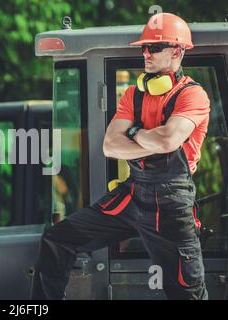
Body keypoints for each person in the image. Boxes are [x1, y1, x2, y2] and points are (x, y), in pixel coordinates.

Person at [31, 12, 210, 300]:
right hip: (133, 193)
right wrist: (148, 137)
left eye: (153, 47)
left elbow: (168, 139)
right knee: (57, 239)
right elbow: (110, 146)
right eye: (144, 48)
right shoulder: (132, 95)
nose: (146, 54)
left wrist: (134, 132)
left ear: (177, 51)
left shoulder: (193, 95)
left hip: (171, 204)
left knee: (188, 294)